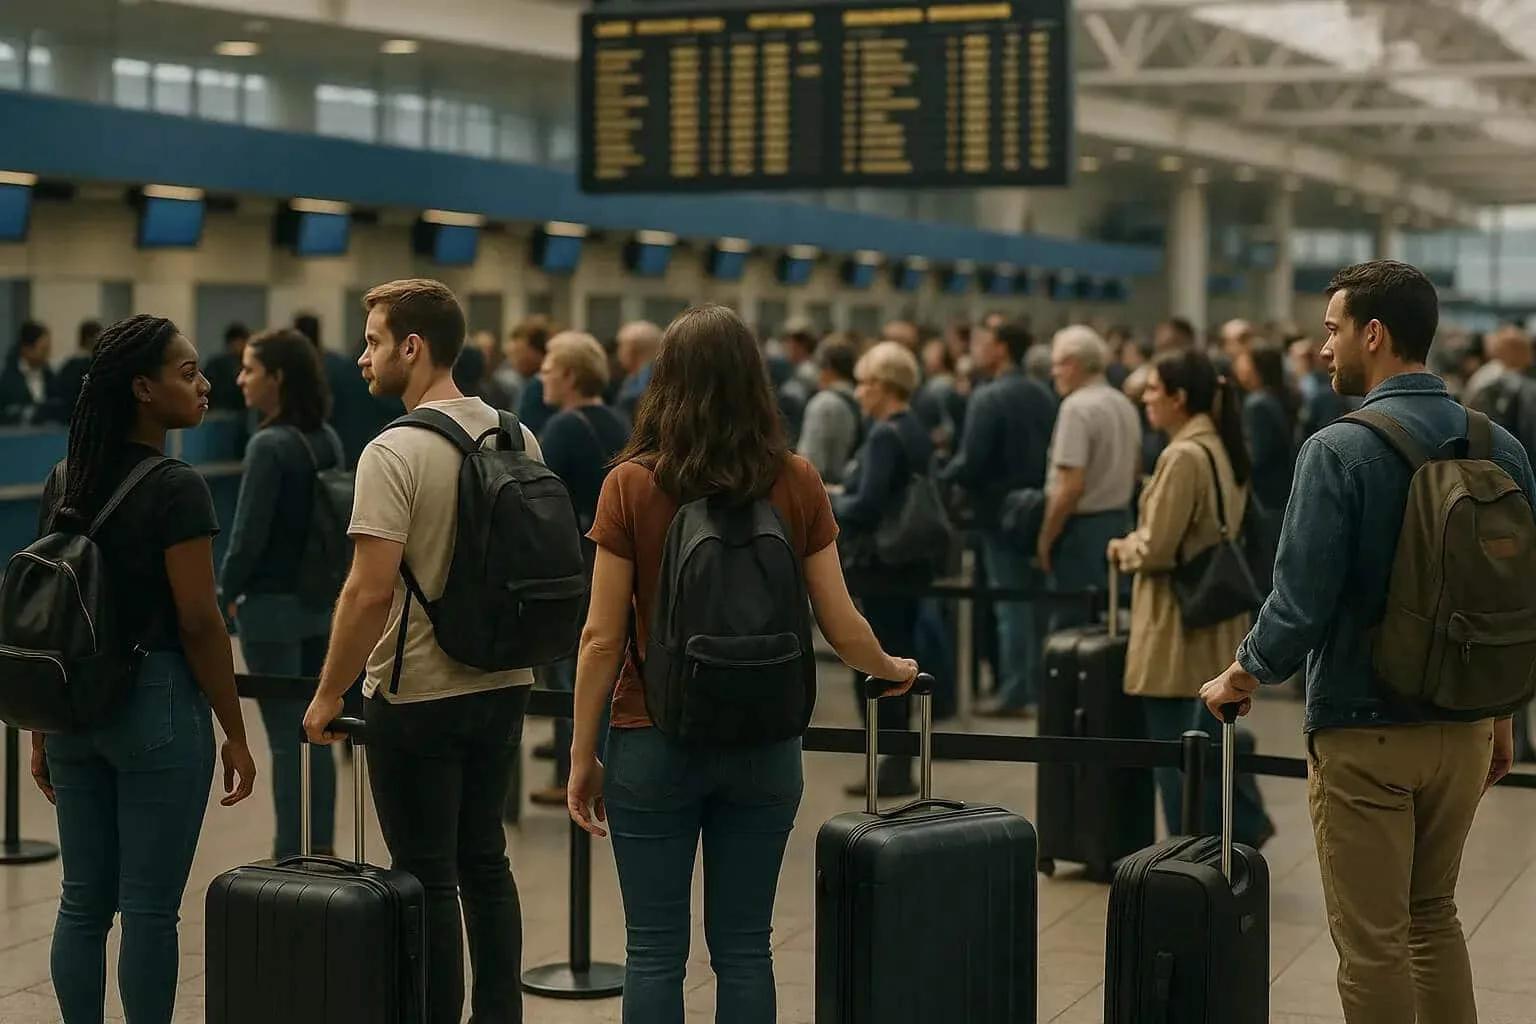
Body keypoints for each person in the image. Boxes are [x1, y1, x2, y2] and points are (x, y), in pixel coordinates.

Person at [566, 304, 918, 1024]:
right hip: (764, 741)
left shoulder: (630, 486)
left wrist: (581, 753)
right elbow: (839, 619)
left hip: (651, 733)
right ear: (756, 383)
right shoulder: (794, 481)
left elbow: (601, 637)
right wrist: (890, 666)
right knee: (746, 948)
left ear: (663, 383)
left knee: (655, 950)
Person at [1200, 260, 1527, 1024]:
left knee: (1373, 942)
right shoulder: (1500, 445)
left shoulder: (1339, 449)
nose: (1323, 350)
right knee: (1433, 917)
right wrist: (1503, 713)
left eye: (1331, 330)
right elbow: (1515, 597)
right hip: (1468, 725)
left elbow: (1300, 601)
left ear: (1372, 334)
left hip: (1367, 729)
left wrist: (1239, 676)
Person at [301, 279, 541, 1024]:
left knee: (427, 872)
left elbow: (368, 593)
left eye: (374, 341)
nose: (363, 356)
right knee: (486, 861)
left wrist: (328, 692)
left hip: (418, 692)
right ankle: (500, 1013)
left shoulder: (393, 450)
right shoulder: (514, 434)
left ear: (414, 346)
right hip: (503, 680)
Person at [29, 314, 256, 1024]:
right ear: (142, 388)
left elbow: (49, 618)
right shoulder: (176, 486)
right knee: (151, 911)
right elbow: (198, 620)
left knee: (82, 901)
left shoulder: (66, 477)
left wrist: (40, 728)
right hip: (155, 704)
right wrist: (234, 727)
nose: (205, 383)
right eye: (186, 373)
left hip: (72, 706)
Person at [1107, 348, 1272, 845]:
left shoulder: (1181, 455)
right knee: (1200, 743)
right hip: (1212, 617)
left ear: (1179, 398)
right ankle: (1225, 837)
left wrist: (1124, 547)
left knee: (1173, 756)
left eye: (1154, 390)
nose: (1146, 400)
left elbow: (1158, 547)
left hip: (1174, 624)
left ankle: (1186, 854)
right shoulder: (1221, 446)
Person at [221, 327, 346, 859]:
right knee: (319, 731)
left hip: (271, 610)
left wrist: (225, 588)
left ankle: (288, 854)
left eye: (249, 369)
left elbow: (248, 535)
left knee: (281, 738)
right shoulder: (327, 439)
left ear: (276, 377)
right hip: (320, 604)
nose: (240, 378)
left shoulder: (268, 445)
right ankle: (320, 847)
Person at [529, 329, 629, 807]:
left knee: (573, 673)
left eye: (548, 368)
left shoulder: (564, 428)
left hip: (579, 562)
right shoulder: (617, 421)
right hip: (616, 560)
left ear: (568, 375)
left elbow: (542, 501)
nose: (541, 376)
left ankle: (577, 770)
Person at [831, 340, 933, 798]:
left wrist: (829, 498)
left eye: (865, 383)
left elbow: (867, 504)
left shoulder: (882, 435)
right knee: (904, 654)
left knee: (878, 660)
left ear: (885, 385)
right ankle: (901, 760)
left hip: (881, 565)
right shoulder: (914, 427)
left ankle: (887, 763)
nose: (859, 393)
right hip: (909, 562)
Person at [1037, 325, 1141, 633]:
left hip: (1080, 533)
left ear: (1073, 364)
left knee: (1072, 627)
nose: (1054, 373)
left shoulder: (1076, 408)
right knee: (1111, 625)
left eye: (1057, 365)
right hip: (1119, 523)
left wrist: (1046, 538)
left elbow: (1071, 486)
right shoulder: (1123, 403)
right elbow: (1135, 469)